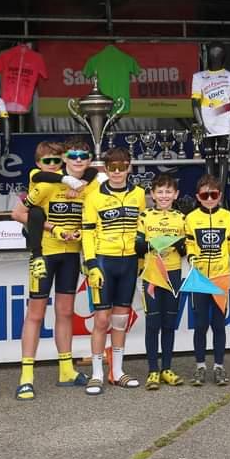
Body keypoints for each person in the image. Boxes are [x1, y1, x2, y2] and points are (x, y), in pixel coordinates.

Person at [10, 139, 98, 400]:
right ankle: (26, 377)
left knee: (65, 313)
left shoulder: (89, 186)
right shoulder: (47, 183)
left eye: (83, 156)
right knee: (35, 314)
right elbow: (18, 214)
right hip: (45, 254)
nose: (77, 160)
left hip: (71, 256)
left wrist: (81, 232)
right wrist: (54, 229)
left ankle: (66, 370)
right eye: (73, 156)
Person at [81, 147, 146, 395]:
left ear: (129, 167)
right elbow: (87, 232)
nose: (117, 172)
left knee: (120, 320)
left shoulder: (139, 194)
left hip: (129, 262)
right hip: (104, 261)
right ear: (105, 169)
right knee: (101, 320)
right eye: (112, 168)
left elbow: (142, 225)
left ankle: (117, 371)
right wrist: (91, 263)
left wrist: (141, 259)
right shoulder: (94, 196)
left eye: (122, 167)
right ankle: (97, 373)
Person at [185, 176, 230, 387]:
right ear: (198, 197)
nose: (209, 199)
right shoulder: (190, 218)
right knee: (200, 325)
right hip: (199, 278)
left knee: (218, 324)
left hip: (220, 277)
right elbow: (189, 244)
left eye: (214, 195)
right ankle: (200, 367)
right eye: (204, 195)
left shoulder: (226, 217)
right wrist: (190, 257)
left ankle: (219, 366)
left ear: (219, 196)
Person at [136, 174, 188, 390]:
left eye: (168, 192)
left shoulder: (181, 218)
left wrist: (178, 244)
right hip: (151, 276)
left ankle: (167, 368)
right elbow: (138, 247)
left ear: (175, 195)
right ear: (152, 194)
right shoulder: (145, 216)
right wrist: (156, 243)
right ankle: (152, 371)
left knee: (169, 323)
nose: (164, 196)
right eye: (160, 192)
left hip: (174, 274)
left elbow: (186, 250)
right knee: (153, 323)